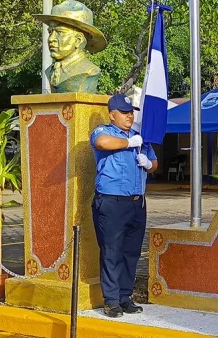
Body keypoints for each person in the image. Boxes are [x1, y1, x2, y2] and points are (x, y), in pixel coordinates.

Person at [90, 94, 158, 317]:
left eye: (131, 112)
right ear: (112, 115)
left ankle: (125, 297)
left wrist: (148, 164)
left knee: (131, 252)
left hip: (137, 203)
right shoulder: (104, 132)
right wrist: (129, 143)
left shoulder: (140, 136)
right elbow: (102, 144)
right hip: (112, 203)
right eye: (124, 112)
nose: (130, 115)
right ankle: (111, 300)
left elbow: (154, 162)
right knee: (112, 251)